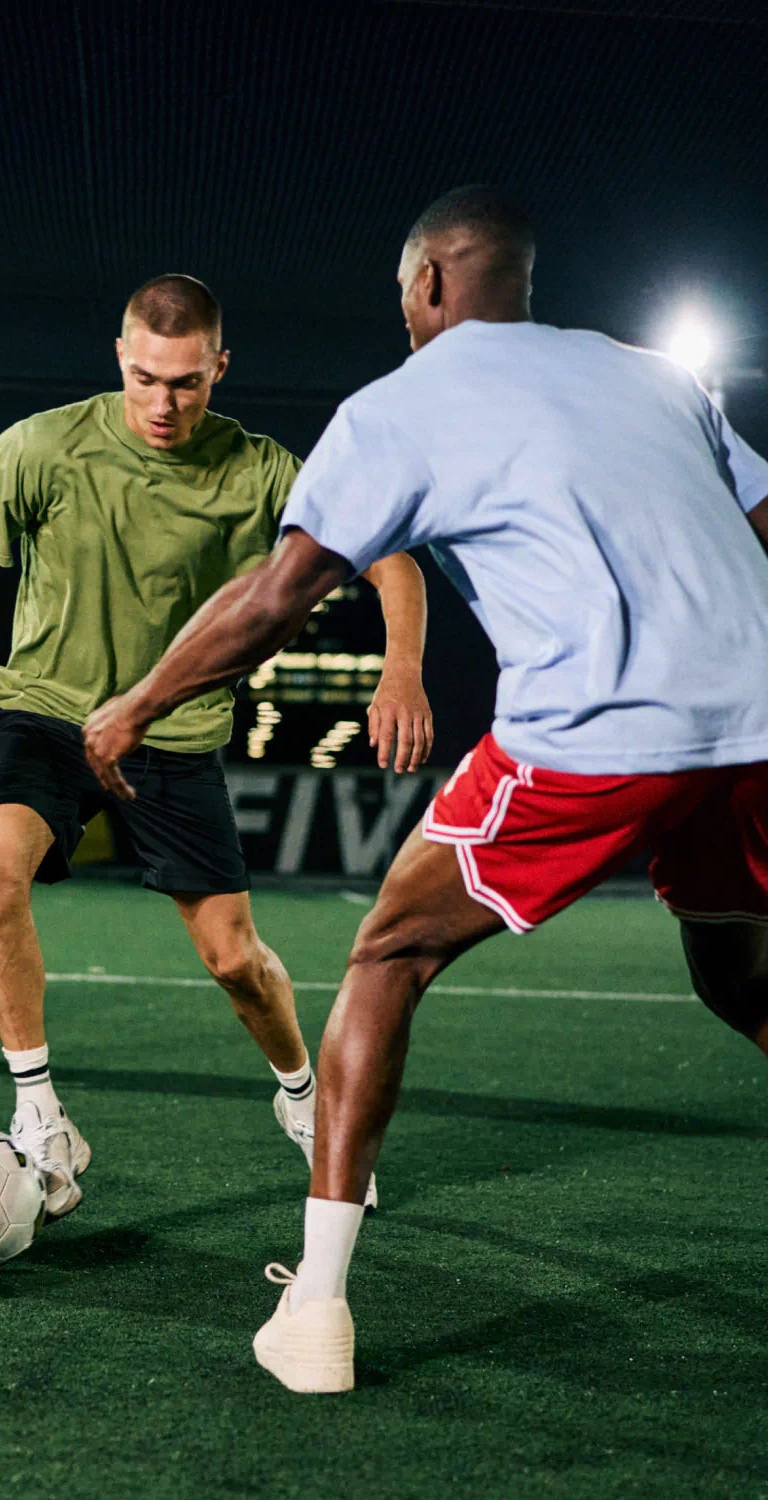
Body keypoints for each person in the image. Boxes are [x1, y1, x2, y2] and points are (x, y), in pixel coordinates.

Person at [82, 186, 768, 1394]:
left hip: (602, 730)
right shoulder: (659, 372)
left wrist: (134, 705)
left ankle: (319, 1314)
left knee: (388, 952)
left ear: (432, 286)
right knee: (734, 966)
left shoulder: (399, 406)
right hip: (760, 713)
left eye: (406, 291)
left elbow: (272, 600)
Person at [0, 274, 433, 1221]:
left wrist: (401, 668)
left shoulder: (264, 468)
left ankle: (304, 1099)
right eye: (146, 378)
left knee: (236, 961)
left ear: (220, 368)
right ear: (120, 358)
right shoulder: (40, 446)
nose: (163, 403)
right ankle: (39, 1117)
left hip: (172, 734)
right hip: (46, 715)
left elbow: (390, 554)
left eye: (186, 383)